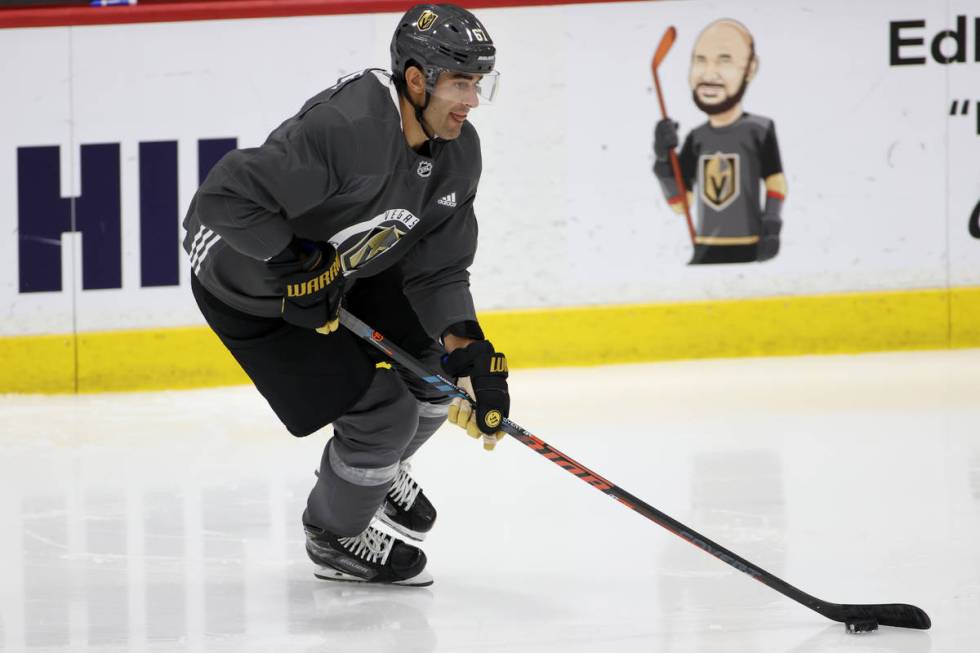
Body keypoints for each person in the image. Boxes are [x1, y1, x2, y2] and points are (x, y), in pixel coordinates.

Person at [181, 3, 511, 587]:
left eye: (478, 83)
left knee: (437, 376)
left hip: (344, 271)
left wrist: (468, 349)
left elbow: (437, 270)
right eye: (461, 83)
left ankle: (375, 473)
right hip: (251, 288)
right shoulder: (349, 129)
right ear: (416, 80)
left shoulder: (458, 153)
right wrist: (291, 263)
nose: (473, 100)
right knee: (384, 416)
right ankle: (335, 534)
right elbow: (223, 200)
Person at [653, 19, 787, 265]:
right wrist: (663, 164)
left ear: (750, 68)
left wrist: (772, 224)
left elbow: (775, 181)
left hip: (749, 247)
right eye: (700, 60)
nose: (709, 73)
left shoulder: (760, 129)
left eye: (724, 60)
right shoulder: (696, 138)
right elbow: (682, 205)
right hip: (705, 249)